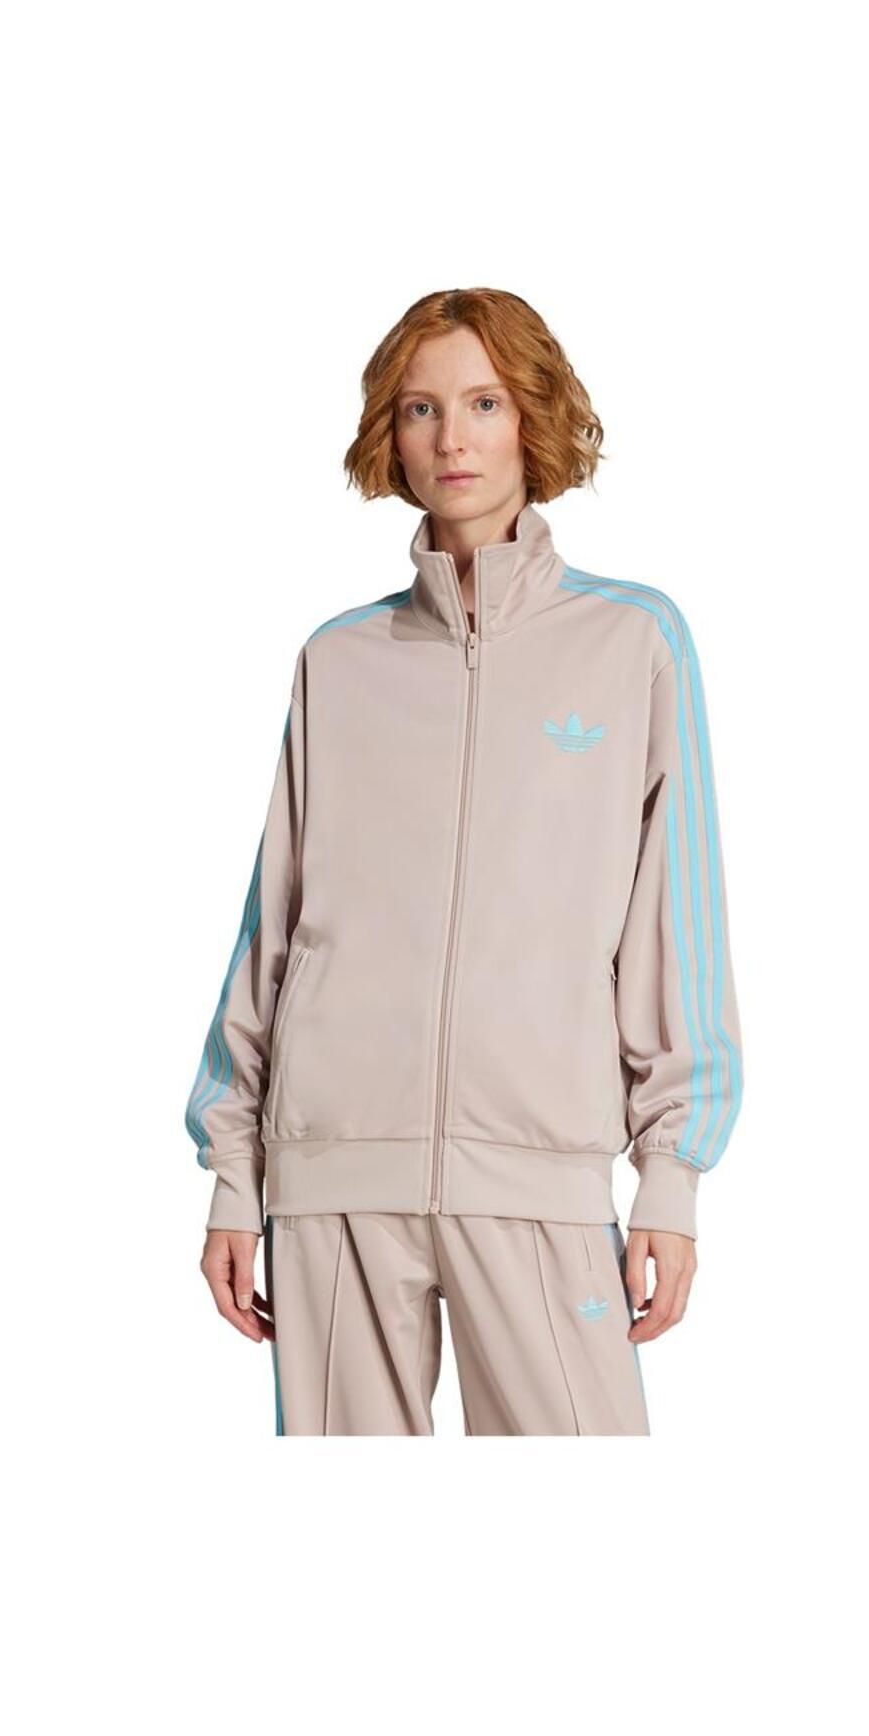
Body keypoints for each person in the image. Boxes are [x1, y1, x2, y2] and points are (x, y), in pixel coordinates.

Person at [185, 287, 744, 1435]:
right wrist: (234, 1179)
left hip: (537, 1172)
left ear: (533, 417)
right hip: (333, 1180)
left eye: (485, 403)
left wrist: (671, 1176)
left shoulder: (632, 640)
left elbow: (675, 929)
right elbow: (272, 931)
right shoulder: (339, 661)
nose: (453, 437)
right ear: (389, 435)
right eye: (421, 407)